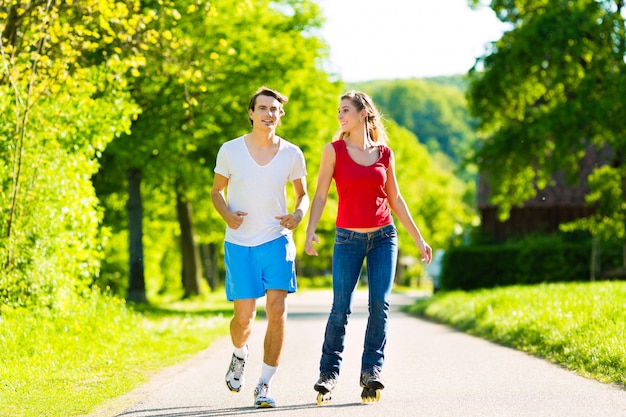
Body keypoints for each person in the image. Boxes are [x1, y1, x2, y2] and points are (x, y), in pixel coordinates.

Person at [304, 90, 432, 403]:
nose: (340, 115)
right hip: (347, 238)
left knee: (380, 305)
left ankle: (371, 372)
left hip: (384, 238)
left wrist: (418, 238)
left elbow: (396, 199)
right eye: (338, 111)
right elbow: (320, 195)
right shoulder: (333, 151)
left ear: (363, 113)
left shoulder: (385, 154)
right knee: (340, 307)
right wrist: (309, 231)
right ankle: (328, 374)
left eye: (345, 109)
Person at [210, 86, 308, 409]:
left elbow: (303, 196)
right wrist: (227, 215)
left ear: (281, 115)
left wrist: (297, 215)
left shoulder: (292, 154)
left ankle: (264, 385)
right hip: (239, 244)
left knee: (277, 310)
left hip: (277, 239)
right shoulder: (229, 150)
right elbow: (216, 192)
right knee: (244, 318)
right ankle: (240, 353)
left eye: (274, 109)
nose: (268, 114)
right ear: (251, 113)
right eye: (262, 108)